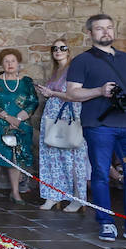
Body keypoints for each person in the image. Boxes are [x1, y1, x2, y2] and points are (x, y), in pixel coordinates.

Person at [64, 14, 126, 243]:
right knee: (101, 173)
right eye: (99, 29)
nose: (105, 32)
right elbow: (72, 93)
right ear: (90, 33)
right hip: (100, 127)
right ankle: (106, 223)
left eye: (109, 28)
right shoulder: (82, 61)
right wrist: (99, 91)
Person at [34, 39, 88, 212]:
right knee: (51, 157)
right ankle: (53, 195)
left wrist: (52, 93)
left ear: (69, 51)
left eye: (62, 48)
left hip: (68, 116)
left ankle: (78, 198)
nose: (58, 51)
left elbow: (75, 94)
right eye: (55, 48)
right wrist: (48, 94)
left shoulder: (74, 69)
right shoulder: (55, 71)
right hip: (52, 115)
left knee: (73, 158)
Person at [0, 48, 37, 203]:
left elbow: (33, 102)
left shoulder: (26, 82)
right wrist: (6, 116)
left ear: (18, 63)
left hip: (19, 125)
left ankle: (15, 192)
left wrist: (18, 118)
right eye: (6, 61)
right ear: (1, 64)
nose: (10, 64)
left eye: (13, 61)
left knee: (15, 159)